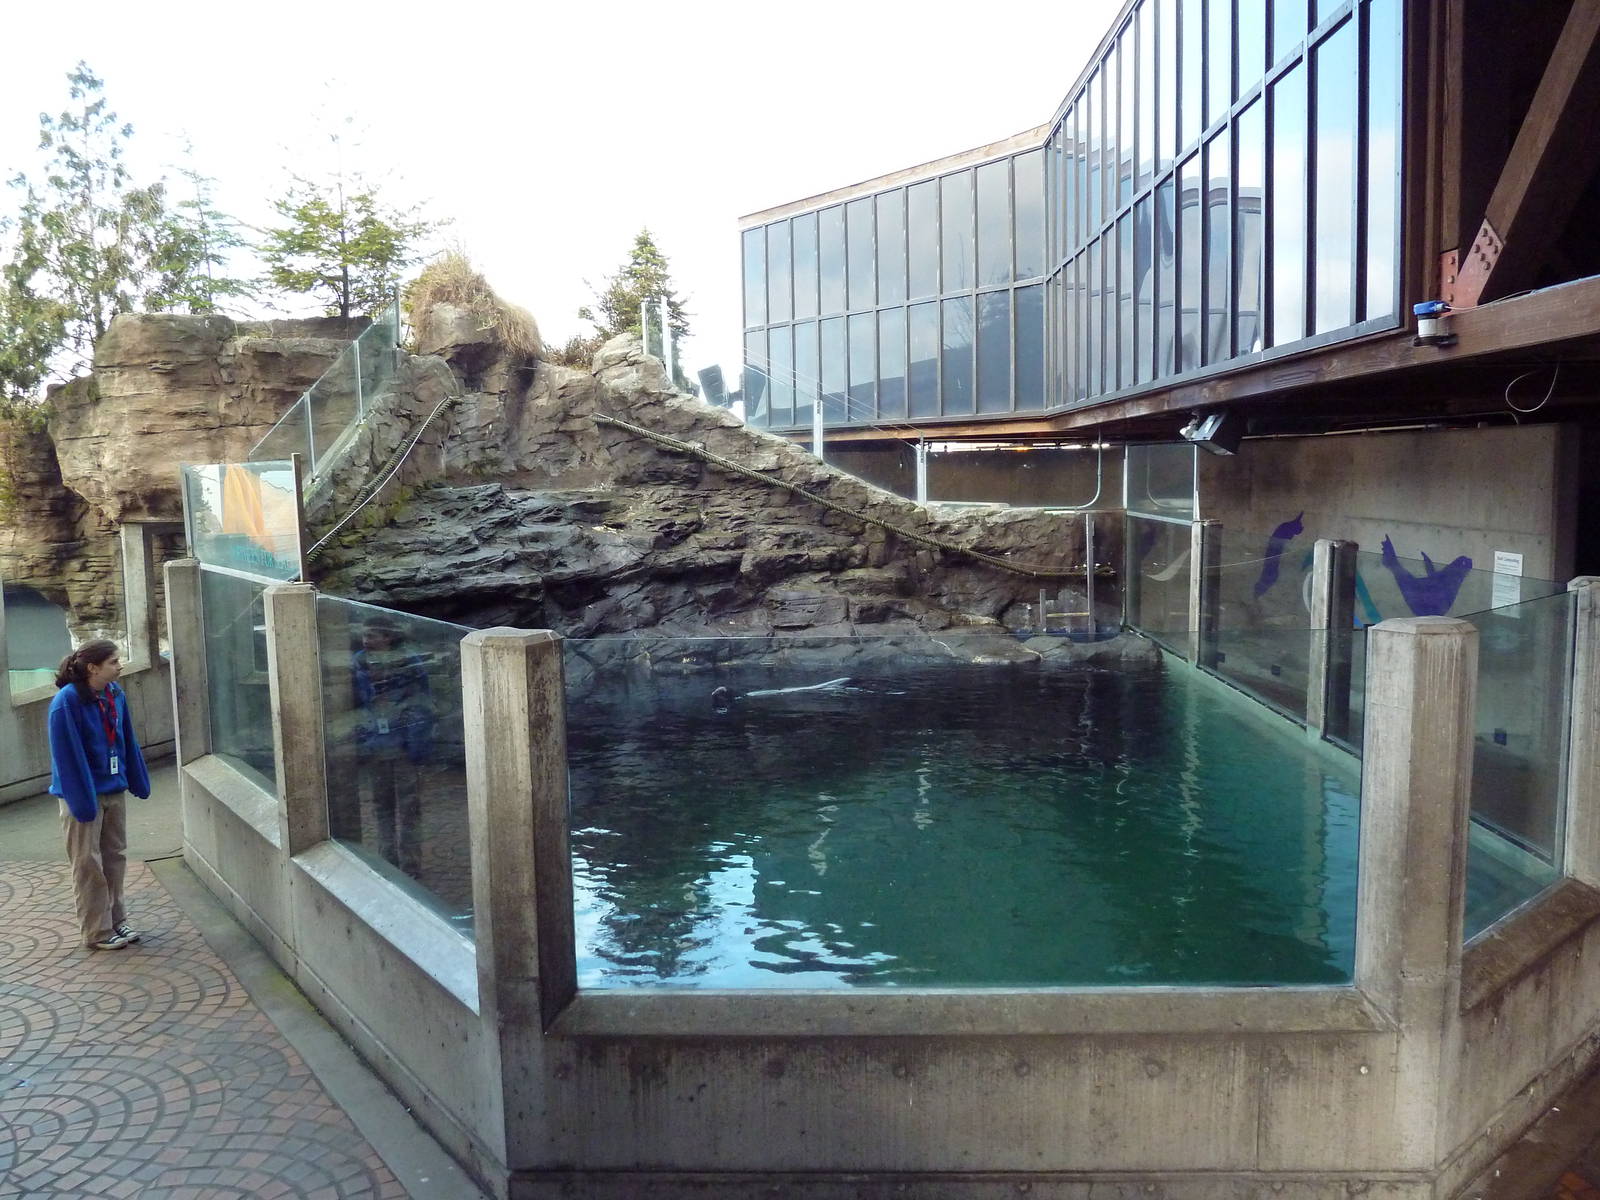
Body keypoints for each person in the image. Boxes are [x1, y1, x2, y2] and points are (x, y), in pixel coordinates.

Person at [47, 640, 151, 951]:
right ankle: (97, 931)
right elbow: (66, 757)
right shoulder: (66, 702)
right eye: (114, 661)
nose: (120, 665)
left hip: (113, 789)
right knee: (87, 863)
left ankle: (118, 920)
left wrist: (134, 778)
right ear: (93, 668)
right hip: (82, 795)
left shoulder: (115, 694)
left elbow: (126, 738)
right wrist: (83, 801)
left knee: (114, 858)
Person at [350, 617, 435, 876]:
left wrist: (417, 746)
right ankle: (387, 860)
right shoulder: (358, 664)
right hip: (377, 747)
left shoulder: (409, 663)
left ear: (388, 638)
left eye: (373, 635)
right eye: (365, 635)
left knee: (409, 808)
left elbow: (422, 705)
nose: (367, 640)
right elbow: (356, 706)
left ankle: (411, 865)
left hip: (404, 748)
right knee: (382, 806)